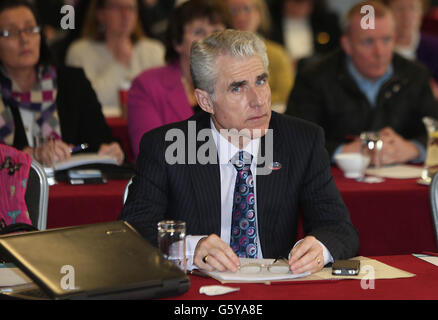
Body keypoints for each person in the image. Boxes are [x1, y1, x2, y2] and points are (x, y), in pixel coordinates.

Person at [120, 29, 359, 274]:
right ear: (205, 101)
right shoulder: (167, 146)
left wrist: (319, 247)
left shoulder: (301, 141)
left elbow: (339, 228)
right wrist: (190, 248)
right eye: (237, 88)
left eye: (261, 81)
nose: (258, 100)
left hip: (274, 291)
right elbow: (131, 231)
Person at [286, 0, 438, 165]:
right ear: (347, 45)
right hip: (333, 184)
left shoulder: (415, 75)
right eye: (368, 42)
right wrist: (341, 151)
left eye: (386, 40)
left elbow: (434, 127)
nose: (379, 52)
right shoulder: (314, 78)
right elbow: (292, 139)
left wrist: (413, 148)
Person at [0, 0, 124, 165]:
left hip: (71, 187)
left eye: (31, 29)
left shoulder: (72, 82)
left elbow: (101, 140)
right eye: (11, 32)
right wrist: (31, 154)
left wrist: (111, 150)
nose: (24, 39)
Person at [127, 0, 228, 159]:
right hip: (172, 182)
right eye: (199, 32)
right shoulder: (147, 86)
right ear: (177, 43)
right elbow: (149, 152)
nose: (210, 40)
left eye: (217, 32)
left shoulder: (239, 83)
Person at [65, 0, 165, 116]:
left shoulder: (153, 50)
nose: (125, 14)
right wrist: (119, 64)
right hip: (97, 130)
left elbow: (162, 101)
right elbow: (83, 104)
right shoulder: (79, 52)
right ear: (100, 14)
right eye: (117, 8)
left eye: (131, 8)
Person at [226, 0, 294, 113]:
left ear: (259, 13)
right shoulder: (220, 55)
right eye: (233, 11)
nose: (240, 16)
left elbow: (285, 94)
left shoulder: (277, 53)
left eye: (246, 9)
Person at [383, 0, 438, 99]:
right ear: (387, 12)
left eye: (413, 8)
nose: (406, 16)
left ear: (422, 12)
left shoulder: (435, 47)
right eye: (400, 9)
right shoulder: (379, 51)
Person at [269, 0, 341, 70]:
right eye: (297, 2)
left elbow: (335, 52)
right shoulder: (269, 22)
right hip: (281, 71)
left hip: (318, 72)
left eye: (305, 2)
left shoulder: (327, 22)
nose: (300, 7)